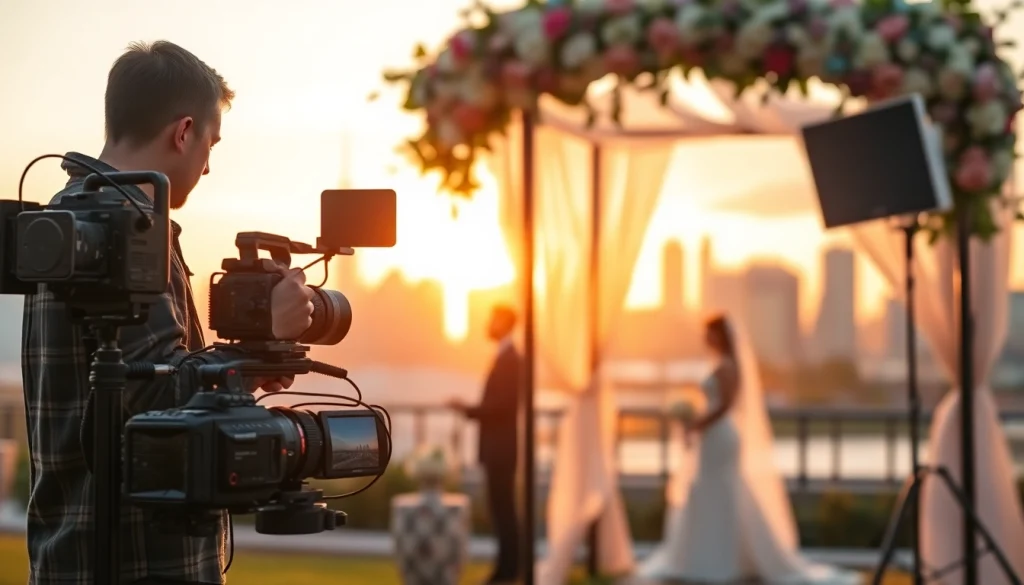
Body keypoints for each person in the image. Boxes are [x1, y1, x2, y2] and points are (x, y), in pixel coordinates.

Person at [20, 41, 315, 585]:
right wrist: (265, 333)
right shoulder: (125, 228)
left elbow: (129, 384)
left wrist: (244, 369)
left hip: (70, 547)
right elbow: (153, 400)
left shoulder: (66, 220)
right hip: (139, 558)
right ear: (183, 132)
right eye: (210, 143)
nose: (208, 166)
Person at [637, 314, 862, 585]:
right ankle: (707, 556)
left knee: (722, 490)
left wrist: (696, 424)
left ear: (721, 335)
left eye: (709, 333)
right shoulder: (721, 365)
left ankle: (724, 558)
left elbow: (725, 406)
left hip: (720, 436)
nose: (705, 339)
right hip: (712, 436)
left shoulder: (728, 366)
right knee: (708, 492)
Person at [448, 305, 522, 585]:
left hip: (501, 449)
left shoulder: (511, 360)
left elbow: (501, 406)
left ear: (504, 322)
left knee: (503, 509)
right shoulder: (505, 357)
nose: (488, 324)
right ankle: (508, 568)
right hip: (498, 447)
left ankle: (508, 570)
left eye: (492, 319)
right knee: (502, 508)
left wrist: (466, 408)